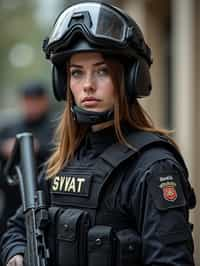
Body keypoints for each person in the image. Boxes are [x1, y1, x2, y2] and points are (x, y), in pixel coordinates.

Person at [0, 1, 196, 265]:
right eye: (77, 73)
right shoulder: (62, 161)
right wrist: (17, 254)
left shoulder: (154, 167)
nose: (88, 86)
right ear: (64, 83)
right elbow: (16, 228)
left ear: (129, 78)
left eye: (102, 71)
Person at [0, 81, 55, 238]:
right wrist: (5, 148)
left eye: (35, 100)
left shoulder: (54, 126)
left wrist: (37, 147)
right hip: (12, 203)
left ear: (44, 100)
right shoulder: (10, 128)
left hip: (43, 203)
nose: (31, 105)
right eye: (27, 100)